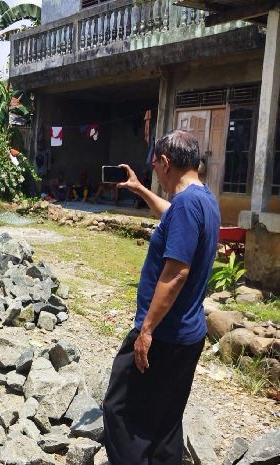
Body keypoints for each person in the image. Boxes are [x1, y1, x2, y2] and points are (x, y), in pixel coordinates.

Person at [102, 129, 220, 465]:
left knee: (121, 411)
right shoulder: (203, 199)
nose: (154, 171)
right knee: (166, 420)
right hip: (189, 334)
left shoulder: (187, 204)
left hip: (164, 334)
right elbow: (172, 215)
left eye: (154, 165)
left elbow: (176, 273)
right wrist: (140, 189)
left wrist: (147, 330)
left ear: (165, 162)